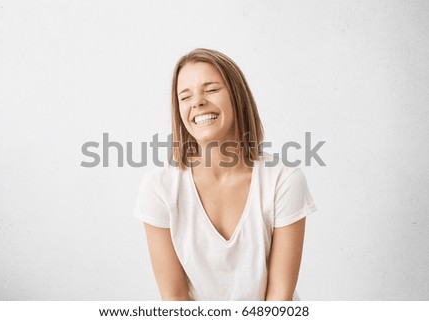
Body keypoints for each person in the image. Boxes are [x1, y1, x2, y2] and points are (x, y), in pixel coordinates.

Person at [133, 48, 317, 301]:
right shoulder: (158, 188)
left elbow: (279, 297)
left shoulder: (283, 180)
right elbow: (174, 298)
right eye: (185, 97)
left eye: (210, 90)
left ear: (237, 97)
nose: (197, 101)